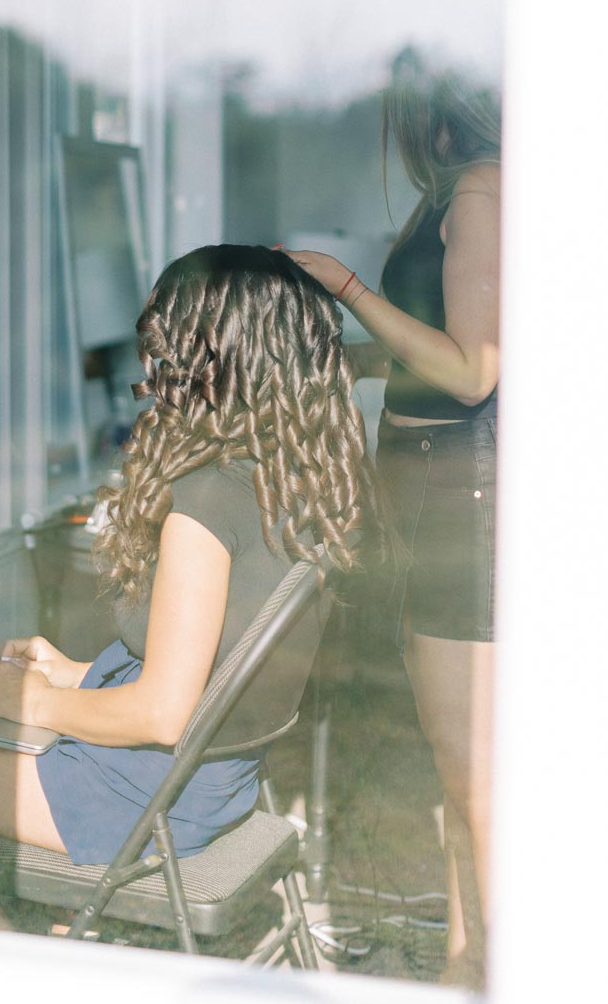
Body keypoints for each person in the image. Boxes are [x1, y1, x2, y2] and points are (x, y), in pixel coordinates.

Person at [0, 244, 374, 930]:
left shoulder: (207, 502)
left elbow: (161, 715)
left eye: (166, 340)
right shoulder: (290, 480)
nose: (152, 362)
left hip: (140, 796)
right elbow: (215, 660)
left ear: (208, 357)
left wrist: (40, 701)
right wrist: (70, 673)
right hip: (209, 781)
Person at [286, 72, 499, 989]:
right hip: (427, 495)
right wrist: (353, 353)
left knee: (477, 780)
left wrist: (346, 287)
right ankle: (466, 961)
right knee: (461, 777)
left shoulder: (485, 192)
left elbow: (472, 372)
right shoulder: (464, 192)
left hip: (462, 502)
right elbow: (442, 346)